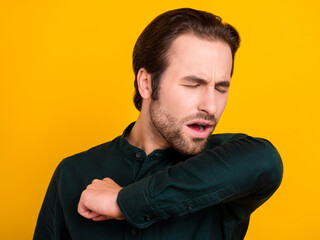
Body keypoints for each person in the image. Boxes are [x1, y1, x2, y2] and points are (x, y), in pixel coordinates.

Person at [34, 8, 283, 240]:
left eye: (220, 88)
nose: (211, 106)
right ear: (146, 83)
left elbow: (265, 162)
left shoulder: (227, 168)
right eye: (192, 84)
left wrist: (123, 202)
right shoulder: (73, 173)